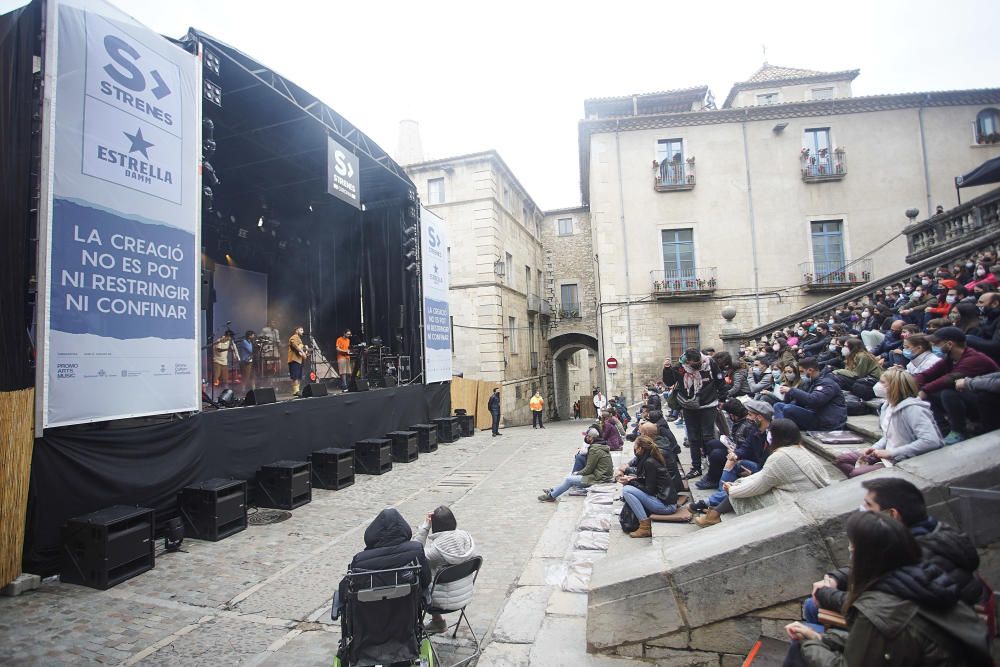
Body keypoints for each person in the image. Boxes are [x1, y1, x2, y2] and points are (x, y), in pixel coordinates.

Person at [785, 512, 991, 667]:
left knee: (799, 651)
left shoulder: (880, 605)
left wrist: (808, 644)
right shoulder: (919, 578)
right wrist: (820, 638)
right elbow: (880, 643)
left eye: (852, 547)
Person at [694, 419, 830, 527]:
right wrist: (737, 485)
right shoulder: (799, 449)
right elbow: (763, 475)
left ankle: (714, 514)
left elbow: (759, 486)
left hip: (797, 498)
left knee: (743, 494)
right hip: (801, 491)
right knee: (740, 483)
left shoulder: (780, 457)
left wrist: (733, 490)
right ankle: (715, 510)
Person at [833, 368, 943, 477]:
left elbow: (930, 441)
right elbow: (888, 436)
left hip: (905, 459)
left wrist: (891, 453)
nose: (878, 385)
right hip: (887, 455)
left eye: (882, 382)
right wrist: (874, 449)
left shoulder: (913, 408)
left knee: (857, 474)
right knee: (842, 460)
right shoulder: (886, 406)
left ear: (895, 386)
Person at [333, 508, 431, 621]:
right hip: (405, 623)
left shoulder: (360, 560)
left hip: (368, 626)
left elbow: (344, 593)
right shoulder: (416, 551)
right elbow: (426, 580)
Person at [916, 326, 1000, 444]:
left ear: (949, 344)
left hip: (989, 404)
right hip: (972, 398)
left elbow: (949, 379)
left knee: (947, 393)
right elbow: (928, 374)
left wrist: (923, 390)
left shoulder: (974, 359)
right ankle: (943, 430)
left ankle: (959, 431)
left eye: (936, 343)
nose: (933, 346)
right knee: (930, 394)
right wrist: (913, 384)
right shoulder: (950, 358)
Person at [415, 506, 478, 634]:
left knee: (415, 580)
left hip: (439, 603)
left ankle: (413, 629)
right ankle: (438, 622)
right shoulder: (467, 538)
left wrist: (425, 527)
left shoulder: (436, 552)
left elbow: (415, 551)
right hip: (464, 597)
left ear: (435, 526)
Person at [672, 347, 728, 480]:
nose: (697, 366)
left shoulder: (710, 363)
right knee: (693, 438)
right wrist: (667, 369)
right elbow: (670, 382)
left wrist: (722, 399)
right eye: (693, 364)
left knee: (708, 436)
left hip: (708, 403)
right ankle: (696, 467)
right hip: (689, 405)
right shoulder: (680, 367)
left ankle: (712, 465)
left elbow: (720, 381)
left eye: (698, 362)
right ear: (687, 361)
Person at [619, 435, 684, 538]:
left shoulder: (649, 462)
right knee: (628, 488)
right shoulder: (649, 458)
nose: (634, 449)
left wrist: (630, 482)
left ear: (640, 448)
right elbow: (648, 481)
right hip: (663, 501)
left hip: (666, 506)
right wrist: (632, 479)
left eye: (635, 446)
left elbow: (649, 490)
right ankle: (644, 524)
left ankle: (645, 527)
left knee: (627, 490)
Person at [698, 398, 766, 490]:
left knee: (716, 454)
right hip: (737, 448)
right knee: (711, 444)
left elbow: (748, 448)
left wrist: (735, 452)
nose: (748, 417)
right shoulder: (739, 422)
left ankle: (714, 480)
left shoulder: (749, 426)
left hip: (744, 455)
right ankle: (713, 474)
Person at [538, 427, 612, 502]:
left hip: (599, 478)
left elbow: (589, 469)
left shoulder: (595, 449)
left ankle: (551, 496)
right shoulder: (599, 445)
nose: (586, 438)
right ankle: (553, 490)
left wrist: (577, 473)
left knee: (569, 479)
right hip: (601, 475)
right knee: (571, 476)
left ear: (591, 438)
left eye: (587, 436)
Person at [773, 357, 847, 431]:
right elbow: (799, 401)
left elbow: (815, 400)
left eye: (802, 372)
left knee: (788, 408)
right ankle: (781, 430)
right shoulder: (811, 382)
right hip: (814, 414)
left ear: (810, 370)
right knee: (778, 406)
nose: (800, 375)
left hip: (826, 420)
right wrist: (788, 394)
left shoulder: (827, 383)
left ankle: (782, 432)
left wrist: (791, 391)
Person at [287, 325, 307, 397]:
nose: (303, 331)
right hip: (294, 359)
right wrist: (303, 352)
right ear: (296, 331)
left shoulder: (299, 338)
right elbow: (295, 345)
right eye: (301, 330)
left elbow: (301, 348)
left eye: (303, 330)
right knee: (295, 376)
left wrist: (305, 350)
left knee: (298, 376)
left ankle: (296, 391)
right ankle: (296, 391)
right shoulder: (294, 337)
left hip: (299, 360)